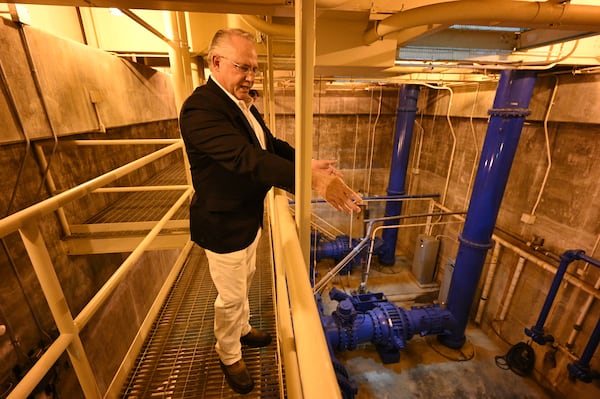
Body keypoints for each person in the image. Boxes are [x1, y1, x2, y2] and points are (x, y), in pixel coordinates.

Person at [179, 28, 362, 394]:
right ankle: (228, 352)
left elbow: (269, 145)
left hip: (247, 217)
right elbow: (248, 160)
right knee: (230, 297)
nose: (250, 76)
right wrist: (313, 182)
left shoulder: (240, 103)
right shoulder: (201, 109)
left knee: (244, 281)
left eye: (254, 69)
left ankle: (243, 329)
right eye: (242, 67)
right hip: (223, 224)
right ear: (216, 63)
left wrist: (308, 165)